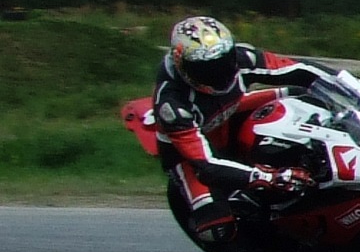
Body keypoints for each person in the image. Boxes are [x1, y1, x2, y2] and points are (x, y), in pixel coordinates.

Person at [145, 15, 340, 235]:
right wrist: (269, 178)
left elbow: (298, 69)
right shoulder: (172, 104)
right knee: (217, 228)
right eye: (206, 69)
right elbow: (206, 165)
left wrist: (355, 84)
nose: (219, 74)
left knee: (305, 94)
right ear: (182, 65)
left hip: (231, 111)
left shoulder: (241, 58)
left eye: (223, 62)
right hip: (190, 156)